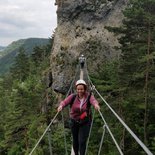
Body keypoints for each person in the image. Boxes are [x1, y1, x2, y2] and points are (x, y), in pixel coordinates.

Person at [57, 79, 100, 155]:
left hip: (85, 122)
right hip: (74, 121)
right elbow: (65, 101)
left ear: (85, 89)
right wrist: (61, 106)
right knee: (75, 140)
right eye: (78, 89)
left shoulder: (89, 96)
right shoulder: (73, 96)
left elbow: (93, 101)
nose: (80, 91)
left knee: (82, 141)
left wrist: (96, 105)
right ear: (76, 89)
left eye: (82, 89)